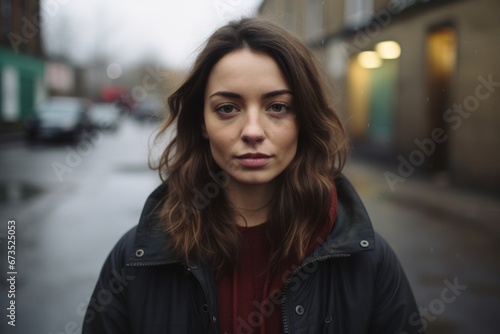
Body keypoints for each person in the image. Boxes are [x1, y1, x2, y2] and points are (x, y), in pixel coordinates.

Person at [82, 18, 424, 334]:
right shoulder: (134, 261)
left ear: (303, 119)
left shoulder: (368, 261)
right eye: (227, 108)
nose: (253, 131)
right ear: (201, 123)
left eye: (278, 107)